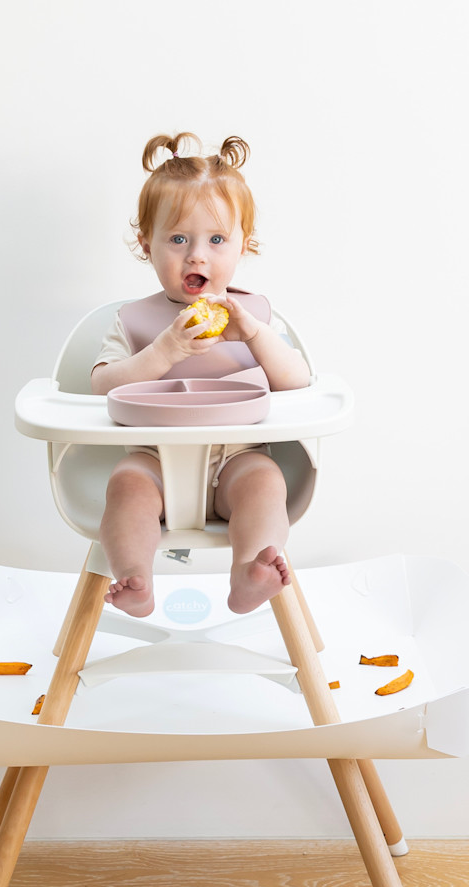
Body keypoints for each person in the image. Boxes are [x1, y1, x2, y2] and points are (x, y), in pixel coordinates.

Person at [91, 133, 311, 618]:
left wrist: (253, 335)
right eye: (177, 239)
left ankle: (250, 573)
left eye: (216, 240)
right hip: (155, 465)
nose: (197, 256)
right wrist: (164, 350)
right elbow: (102, 386)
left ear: (243, 245)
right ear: (146, 244)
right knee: (126, 487)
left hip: (238, 461)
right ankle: (134, 576)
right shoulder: (133, 320)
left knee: (266, 483)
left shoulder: (255, 316)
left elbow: (298, 381)